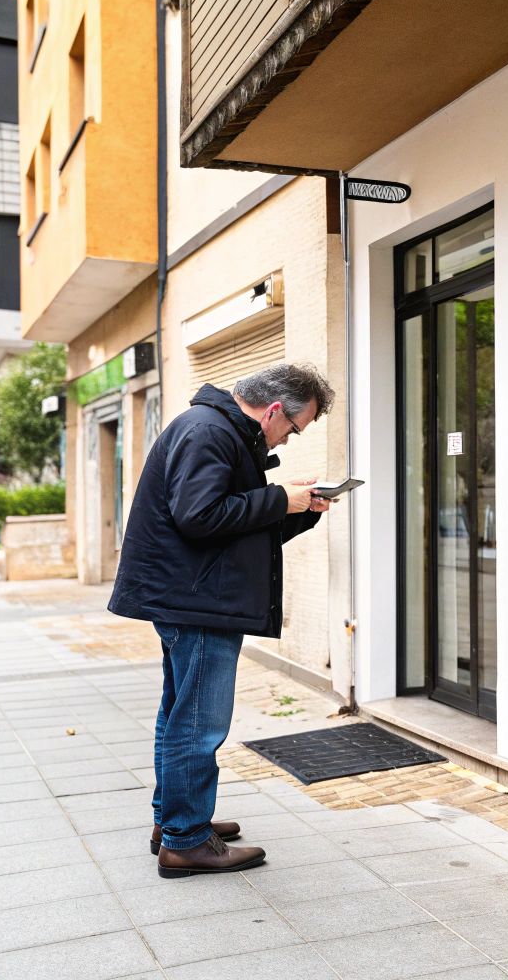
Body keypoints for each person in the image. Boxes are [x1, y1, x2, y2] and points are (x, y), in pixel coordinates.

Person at [109, 363, 336, 877]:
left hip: (193, 595)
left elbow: (234, 525)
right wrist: (281, 497)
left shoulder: (216, 430)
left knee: (179, 714)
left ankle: (175, 821)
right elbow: (200, 516)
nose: (290, 437)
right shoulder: (209, 431)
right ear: (275, 410)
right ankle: (185, 840)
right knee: (197, 723)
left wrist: (297, 509)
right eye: (295, 428)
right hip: (198, 602)